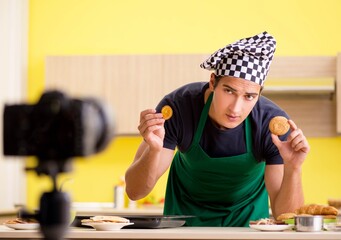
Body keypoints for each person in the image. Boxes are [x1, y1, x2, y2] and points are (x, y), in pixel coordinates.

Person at [125, 31, 310, 227]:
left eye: (249, 96)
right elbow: (135, 192)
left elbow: (286, 217)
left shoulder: (271, 125)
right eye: (229, 91)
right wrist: (153, 150)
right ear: (213, 82)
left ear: (259, 94)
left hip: (248, 223)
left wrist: (294, 168)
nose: (236, 109)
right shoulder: (179, 107)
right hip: (185, 222)